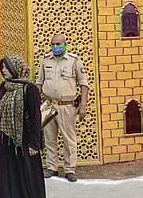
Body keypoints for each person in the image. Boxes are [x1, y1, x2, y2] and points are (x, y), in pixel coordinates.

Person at [35, 34, 89, 182]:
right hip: (49, 104)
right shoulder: (46, 60)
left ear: (65, 44)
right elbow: (39, 82)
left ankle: (70, 169)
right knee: (49, 138)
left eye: (58, 44)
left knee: (68, 139)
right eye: (53, 44)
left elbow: (84, 84)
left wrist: (83, 106)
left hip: (67, 106)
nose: (55, 47)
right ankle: (52, 167)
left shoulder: (74, 61)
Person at [0, 55, 45, 198]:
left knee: (26, 172)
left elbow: (35, 118)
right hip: (6, 140)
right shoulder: (4, 86)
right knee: (7, 173)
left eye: (7, 67)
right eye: (2, 67)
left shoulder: (30, 89)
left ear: (16, 68)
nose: (4, 70)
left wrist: (35, 144)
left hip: (25, 141)